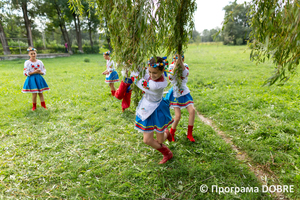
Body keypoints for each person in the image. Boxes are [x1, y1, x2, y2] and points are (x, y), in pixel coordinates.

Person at [135, 57, 174, 164]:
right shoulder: (151, 75)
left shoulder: (157, 84)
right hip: (146, 107)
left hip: (157, 109)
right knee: (147, 140)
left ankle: (166, 133)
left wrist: (132, 73)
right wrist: (132, 64)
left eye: (155, 73)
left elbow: (139, 82)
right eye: (150, 72)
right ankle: (167, 153)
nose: (152, 75)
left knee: (160, 140)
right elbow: (143, 74)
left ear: (162, 71)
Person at [165, 54, 196, 142]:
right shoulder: (171, 66)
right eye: (176, 59)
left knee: (192, 111)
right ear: (173, 59)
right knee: (178, 116)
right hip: (176, 93)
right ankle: (171, 133)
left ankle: (189, 134)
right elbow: (171, 77)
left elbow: (185, 74)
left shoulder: (185, 66)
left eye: (180, 59)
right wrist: (175, 65)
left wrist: (181, 63)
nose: (178, 60)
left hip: (184, 92)